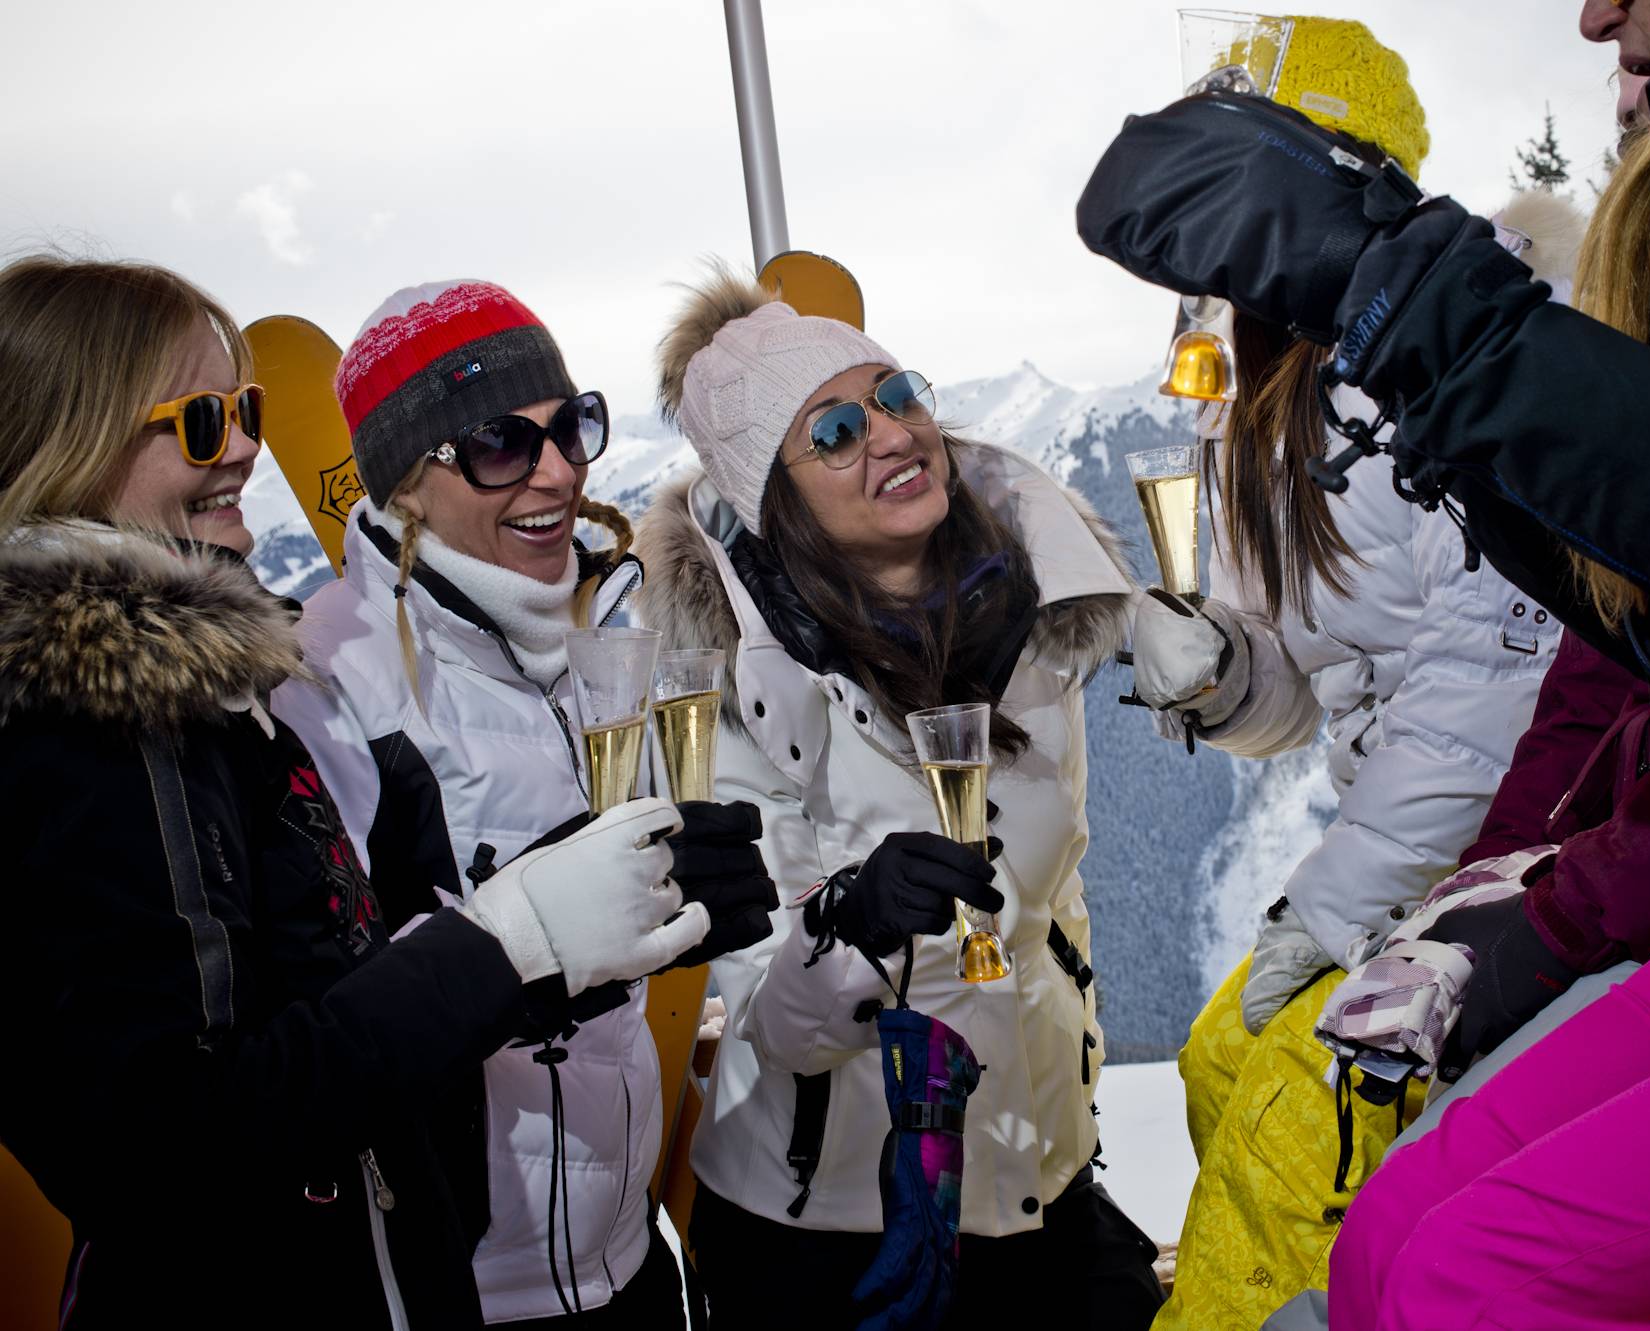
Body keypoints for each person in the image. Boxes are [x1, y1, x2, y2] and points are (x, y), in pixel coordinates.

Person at [1075, 0, 1650, 1323]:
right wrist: (1227, 666)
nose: (1590, 14)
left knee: (1455, 1265)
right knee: (1388, 1229)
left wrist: (1406, 297)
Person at [0, 257, 701, 1329]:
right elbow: (164, 1146)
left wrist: (613, 925)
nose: (245, 446)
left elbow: (319, 992)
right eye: (202, 423)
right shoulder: (93, 727)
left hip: (470, 1263)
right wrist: (508, 939)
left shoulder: (211, 699)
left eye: (247, 410)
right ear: (74, 445)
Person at [1125, 23, 1569, 1328]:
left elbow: (1484, 691)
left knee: (1286, 1140)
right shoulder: (1278, 388)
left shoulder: (1455, 365)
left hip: (1513, 847)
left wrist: (1329, 911)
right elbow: (1311, 685)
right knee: (1218, 1060)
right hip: (1413, 853)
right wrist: (1224, 676)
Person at [630, 267, 1161, 1329]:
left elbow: (1053, 903)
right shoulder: (728, 690)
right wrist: (852, 924)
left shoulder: (1027, 611)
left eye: (896, 393)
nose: (888, 433)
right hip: (828, 1229)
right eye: (833, 430)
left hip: (1037, 1183)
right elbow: (772, 1023)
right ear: (773, 500)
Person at [272, 279, 774, 1326]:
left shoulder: (604, 622)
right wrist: (542, 954)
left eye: (570, 426)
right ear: (407, 483)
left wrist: (676, 905)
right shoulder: (327, 679)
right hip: (466, 1292)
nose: (556, 470)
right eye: (500, 443)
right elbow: (321, 1020)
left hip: (626, 1258)